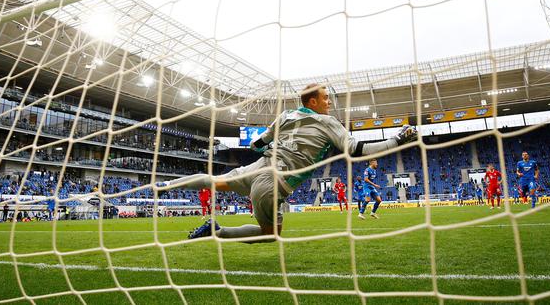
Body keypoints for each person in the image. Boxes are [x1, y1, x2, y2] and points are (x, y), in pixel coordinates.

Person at [162, 83, 417, 242]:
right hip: (273, 184)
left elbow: (255, 145)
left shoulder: (285, 115)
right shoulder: (327, 123)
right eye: (326, 98)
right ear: (313, 102)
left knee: (215, 181)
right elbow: (356, 149)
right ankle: (218, 232)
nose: (329, 102)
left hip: (257, 168)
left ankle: (163, 185)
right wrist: (396, 141)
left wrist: (275, 146)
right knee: (271, 235)